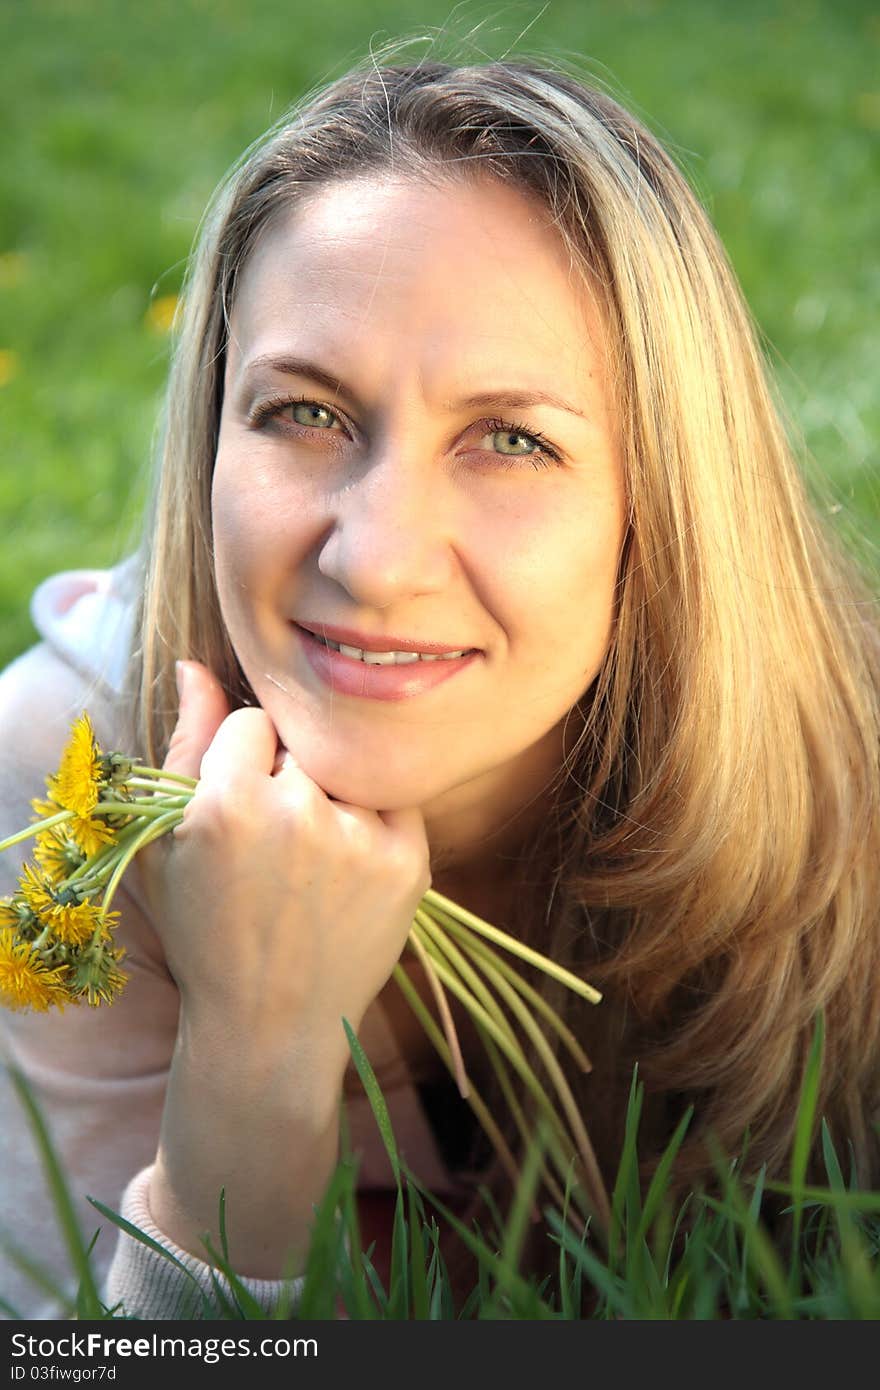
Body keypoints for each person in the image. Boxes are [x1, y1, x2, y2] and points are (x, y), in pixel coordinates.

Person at [1, 53, 878, 1321]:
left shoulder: (837, 775)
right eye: (303, 413)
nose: (375, 558)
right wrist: (256, 1052)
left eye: (510, 439)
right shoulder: (69, 789)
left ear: (663, 506)